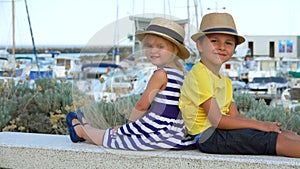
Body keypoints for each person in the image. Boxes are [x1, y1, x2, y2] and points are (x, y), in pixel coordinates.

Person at [179, 12, 300, 157]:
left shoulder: (225, 81)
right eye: (214, 41)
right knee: (274, 140)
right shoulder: (199, 74)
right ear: (200, 45)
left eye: (228, 43)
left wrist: (266, 125)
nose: (222, 47)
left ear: (234, 49)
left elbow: (235, 116)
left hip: (221, 132)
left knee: (282, 132)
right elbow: (217, 120)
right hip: (208, 136)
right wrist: (260, 126)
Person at [66, 17, 195, 150]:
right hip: (176, 133)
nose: (153, 50)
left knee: (115, 137)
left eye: (160, 46)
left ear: (174, 50)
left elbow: (142, 106)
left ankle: (81, 132)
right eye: (149, 46)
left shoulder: (161, 74)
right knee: (116, 133)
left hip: (159, 133)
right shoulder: (182, 73)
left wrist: (128, 127)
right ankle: (88, 128)